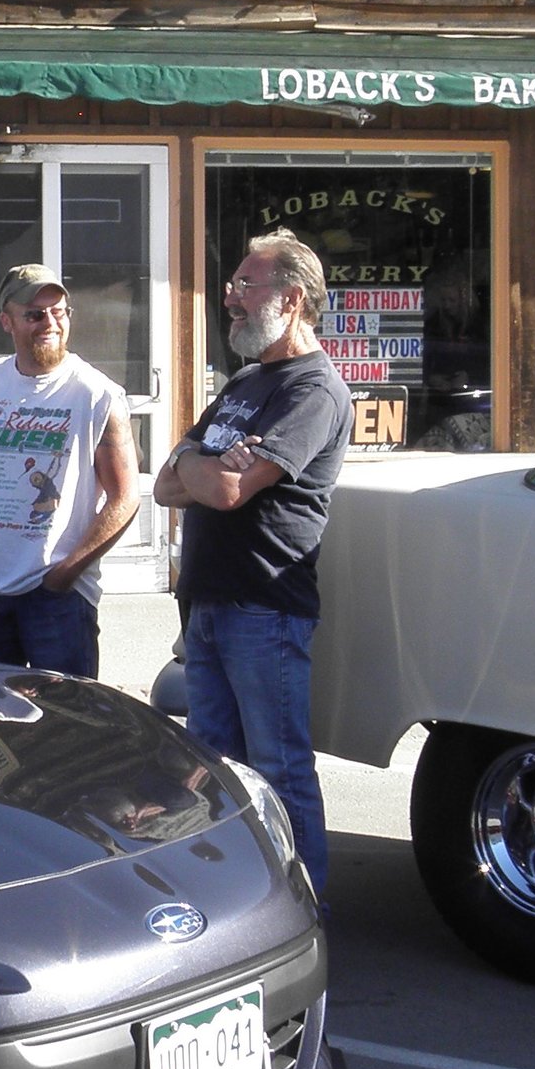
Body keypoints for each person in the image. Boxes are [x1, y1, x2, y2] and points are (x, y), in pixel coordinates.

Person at [154, 228, 352, 893]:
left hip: (263, 611)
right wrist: (196, 462)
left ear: (292, 298)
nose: (231, 298)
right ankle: (239, 909)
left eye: (246, 285)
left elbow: (227, 490)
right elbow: (167, 485)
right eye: (234, 285)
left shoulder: (314, 390)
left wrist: (199, 465)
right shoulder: (245, 382)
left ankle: (304, 914)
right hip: (207, 607)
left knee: (280, 769)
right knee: (217, 772)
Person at [0, 264, 137, 679]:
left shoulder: (96, 394)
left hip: (56, 598)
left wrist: (66, 573)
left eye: (59, 312)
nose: (50, 323)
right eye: (34, 314)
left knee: (64, 727)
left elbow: (124, 497)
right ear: (7, 321)